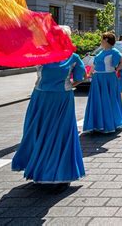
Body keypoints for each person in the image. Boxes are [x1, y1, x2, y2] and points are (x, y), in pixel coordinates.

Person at [12, 26, 86, 191]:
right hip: (41, 100)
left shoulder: (73, 57)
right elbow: (24, 58)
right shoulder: (42, 54)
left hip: (61, 100)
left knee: (59, 135)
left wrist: (67, 85)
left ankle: (59, 173)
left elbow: (82, 77)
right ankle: (40, 170)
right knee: (39, 133)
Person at [83, 32, 122, 133]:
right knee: (98, 101)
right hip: (97, 78)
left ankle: (108, 124)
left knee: (108, 100)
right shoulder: (101, 51)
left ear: (106, 40)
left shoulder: (114, 51)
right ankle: (97, 124)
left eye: (102, 39)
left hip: (108, 78)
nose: (100, 41)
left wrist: (116, 70)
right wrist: (89, 73)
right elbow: (94, 64)